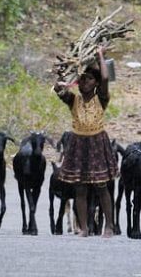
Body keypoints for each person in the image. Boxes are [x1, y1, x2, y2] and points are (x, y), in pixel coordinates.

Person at [54, 48, 118, 238]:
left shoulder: (101, 98)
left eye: (89, 79)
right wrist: (62, 75)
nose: (85, 82)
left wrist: (100, 56)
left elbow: (106, 79)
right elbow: (58, 88)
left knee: (101, 187)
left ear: (96, 82)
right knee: (80, 187)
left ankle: (109, 226)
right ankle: (84, 228)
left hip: (97, 142)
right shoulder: (73, 100)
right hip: (78, 144)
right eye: (82, 79)